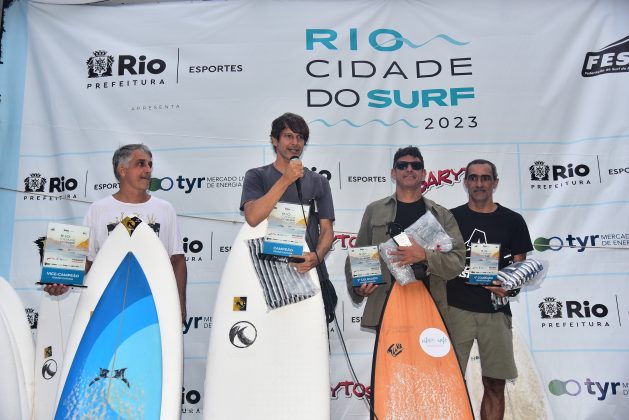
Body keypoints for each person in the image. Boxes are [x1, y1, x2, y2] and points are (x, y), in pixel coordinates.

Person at [44, 144, 188, 320]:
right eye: (141, 164)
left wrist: (180, 305)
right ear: (122, 170)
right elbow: (86, 260)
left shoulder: (165, 209)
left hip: (154, 302)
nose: (148, 169)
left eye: (150, 164)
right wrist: (61, 280)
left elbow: (178, 260)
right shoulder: (98, 209)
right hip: (107, 304)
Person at [446, 159, 533, 420]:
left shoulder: (513, 220)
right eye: (473, 178)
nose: (479, 183)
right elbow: (434, 259)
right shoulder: (450, 218)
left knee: (495, 384)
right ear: (465, 182)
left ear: (495, 182)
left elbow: (521, 266)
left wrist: (510, 288)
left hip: (495, 313)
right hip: (454, 309)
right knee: (448, 382)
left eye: (485, 178)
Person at [345, 146, 465, 329]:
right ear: (393, 173)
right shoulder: (374, 210)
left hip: (429, 307)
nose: (409, 169)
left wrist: (425, 255)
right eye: (402, 165)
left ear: (423, 173)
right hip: (386, 306)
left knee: (428, 359)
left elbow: (457, 261)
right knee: (391, 359)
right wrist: (359, 287)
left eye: (415, 166)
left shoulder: (441, 215)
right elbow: (358, 255)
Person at [240, 112, 337, 321]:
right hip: (271, 278)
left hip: (310, 273)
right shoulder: (256, 176)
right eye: (288, 136)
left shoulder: (319, 182)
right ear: (275, 141)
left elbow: (327, 230)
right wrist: (286, 179)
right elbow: (253, 217)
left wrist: (316, 257)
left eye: (300, 137)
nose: (295, 143)